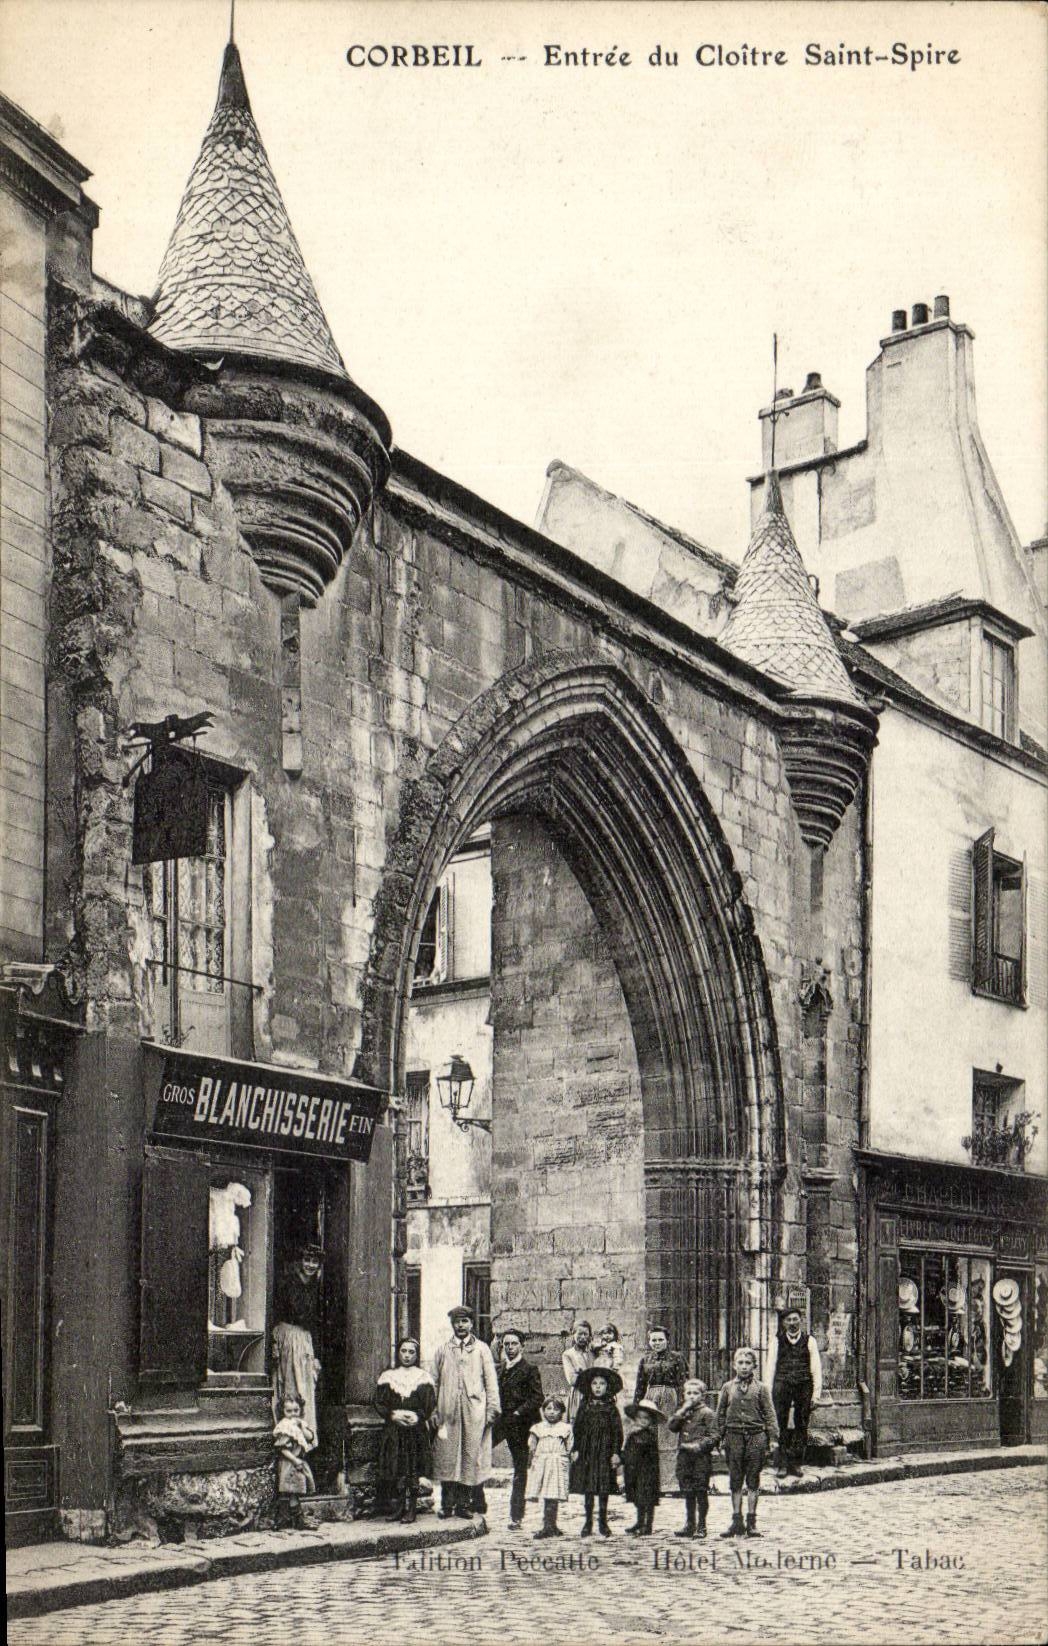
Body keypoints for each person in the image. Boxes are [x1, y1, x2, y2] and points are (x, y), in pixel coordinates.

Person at [429, 1304, 501, 1518]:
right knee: (447, 1456)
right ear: (452, 1324)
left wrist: (492, 1409)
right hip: (447, 1412)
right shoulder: (443, 1350)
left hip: (474, 1411)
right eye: (457, 1322)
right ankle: (446, 1504)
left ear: (471, 1324)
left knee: (470, 1456)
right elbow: (433, 1382)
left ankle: (463, 1504)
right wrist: (433, 1410)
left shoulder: (482, 1349)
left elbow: (491, 1382)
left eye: (464, 1321)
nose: (460, 1325)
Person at [715, 1346, 779, 1539]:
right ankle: (736, 1521)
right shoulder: (727, 1388)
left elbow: (770, 1414)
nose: (744, 1366)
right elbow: (720, 1414)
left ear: (754, 1366)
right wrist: (718, 1437)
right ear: (734, 1365)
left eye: (748, 1363)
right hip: (733, 1437)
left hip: (756, 1437)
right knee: (735, 1479)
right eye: (740, 1363)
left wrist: (773, 1438)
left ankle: (751, 1523)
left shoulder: (761, 1389)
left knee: (752, 1479)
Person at [373, 1337, 438, 1523]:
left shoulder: (423, 1378)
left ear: (416, 1355)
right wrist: (392, 1415)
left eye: (411, 1352)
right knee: (398, 1468)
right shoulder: (388, 1376)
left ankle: (412, 1508)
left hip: (415, 1431)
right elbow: (379, 1402)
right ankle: (399, 1506)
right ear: (398, 1353)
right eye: (403, 1351)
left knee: (413, 1469)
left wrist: (418, 1416)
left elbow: (429, 1404)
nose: (407, 1355)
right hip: (395, 1431)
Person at [272, 1243, 323, 1450]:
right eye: (307, 1260)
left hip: (304, 1341)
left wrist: (316, 1355)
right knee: (289, 1387)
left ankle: (302, 1442)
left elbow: (317, 1322)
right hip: (288, 1338)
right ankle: (287, 1440)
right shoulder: (289, 1283)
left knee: (305, 1388)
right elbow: (280, 1313)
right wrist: (274, 1342)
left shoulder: (317, 1286)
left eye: (314, 1261)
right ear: (300, 1262)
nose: (310, 1265)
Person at [494, 1328, 544, 1530]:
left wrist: (518, 1412)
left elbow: (537, 1398)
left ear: (522, 1346)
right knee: (478, 1452)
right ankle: (474, 1503)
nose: (510, 1347)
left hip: (521, 1424)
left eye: (514, 1343)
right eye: (506, 1344)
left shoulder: (530, 1369)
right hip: (501, 1421)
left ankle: (516, 1516)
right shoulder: (499, 1369)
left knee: (520, 1469)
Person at [766, 1308, 822, 1478]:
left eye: (795, 1319)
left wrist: (816, 1395)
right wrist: (768, 1393)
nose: (792, 1323)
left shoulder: (810, 1341)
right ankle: (782, 1464)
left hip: (804, 1384)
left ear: (801, 1321)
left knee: (801, 1423)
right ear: (784, 1323)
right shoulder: (776, 1341)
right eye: (788, 1320)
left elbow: (816, 1369)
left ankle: (796, 1463)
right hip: (782, 1384)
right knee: (780, 1423)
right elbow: (770, 1367)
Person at [570, 1367, 623, 1537]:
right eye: (594, 1383)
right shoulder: (584, 1406)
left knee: (603, 1487)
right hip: (587, 1451)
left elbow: (617, 1432)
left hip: (604, 1452)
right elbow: (577, 1430)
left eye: (602, 1384)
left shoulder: (611, 1408)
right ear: (589, 1386)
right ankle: (588, 1522)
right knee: (589, 1487)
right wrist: (576, 1449)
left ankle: (603, 1522)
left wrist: (616, 1453)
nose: (598, 1387)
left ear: (608, 1387)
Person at [633, 1326, 688, 1480]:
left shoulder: (677, 1358)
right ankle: (650, 1479)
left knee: (668, 1437)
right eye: (654, 1340)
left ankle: (668, 1481)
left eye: (660, 1340)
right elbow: (640, 1386)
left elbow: (683, 1383)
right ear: (649, 1342)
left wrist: (681, 1407)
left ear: (667, 1340)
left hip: (670, 1396)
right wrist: (637, 1407)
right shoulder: (645, 1360)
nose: (657, 1343)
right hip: (650, 1398)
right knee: (649, 1436)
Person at [668, 1377, 718, 1539]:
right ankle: (690, 1524)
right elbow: (672, 1427)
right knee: (688, 1490)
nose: (691, 1396)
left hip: (700, 1458)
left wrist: (699, 1445)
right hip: (684, 1457)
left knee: (700, 1491)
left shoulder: (707, 1413)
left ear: (702, 1396)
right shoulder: (684, 1413)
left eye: (695, 1393)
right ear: (684, 1395)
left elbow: (714, 1436)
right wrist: (681, 1412)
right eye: (688, 1393)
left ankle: (702, 1525)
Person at [527, 1395, 573, 1539]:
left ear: (562, 1412)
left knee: (554, 1493)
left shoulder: (565, 1428)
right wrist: (533, 1461)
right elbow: (532, 1447)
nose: (552, 1412)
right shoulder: (538, 1428)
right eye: (548, 1409)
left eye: (556, 1409)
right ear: (543, 1411)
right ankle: (548, 1525)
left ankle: (551, 1525)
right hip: (542, 1463)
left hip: (557, 1463)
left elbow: (570, 1447)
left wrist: (567, 1458)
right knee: (546, 1494)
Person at [621, 1398, 664, 1535]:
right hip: (635, 1472)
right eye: (640, 1418)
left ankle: (648, 1525)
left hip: (647, 1472)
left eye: (646, 1418)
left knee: (648, 1499)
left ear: (651, 1420)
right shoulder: (633, 1435)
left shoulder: (649, 1436)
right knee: (638, 1499)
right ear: (635, 1418)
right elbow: (628, 1452)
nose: (643, 1421)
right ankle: (640, 1522)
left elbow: (649, 1456)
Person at [273, 1395, 316, 1498]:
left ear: (300, 1410)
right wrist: (294, 1460)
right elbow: (282, 1448)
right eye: (289, 1411)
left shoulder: (300, 1424)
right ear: (283, 1412)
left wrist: (302, 1427)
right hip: (290, 1462)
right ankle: (294, 1508)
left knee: (298, 1490)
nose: (293, 1414)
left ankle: (296, 1507)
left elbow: (310, 1437)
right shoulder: (285, 1427)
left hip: (299, 1461)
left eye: (296, 1410)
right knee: (293, 1491)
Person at [561, 1320, 594, 1424]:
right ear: (573, 1334)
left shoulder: (593, 1354)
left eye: (586, 1334)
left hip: (594, 1394)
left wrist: (581, 1374)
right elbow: (572, 1379)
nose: (583, 1337)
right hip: (578, 1395)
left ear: (589, 1336)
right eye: (579, 1334)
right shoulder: (568, 1354)